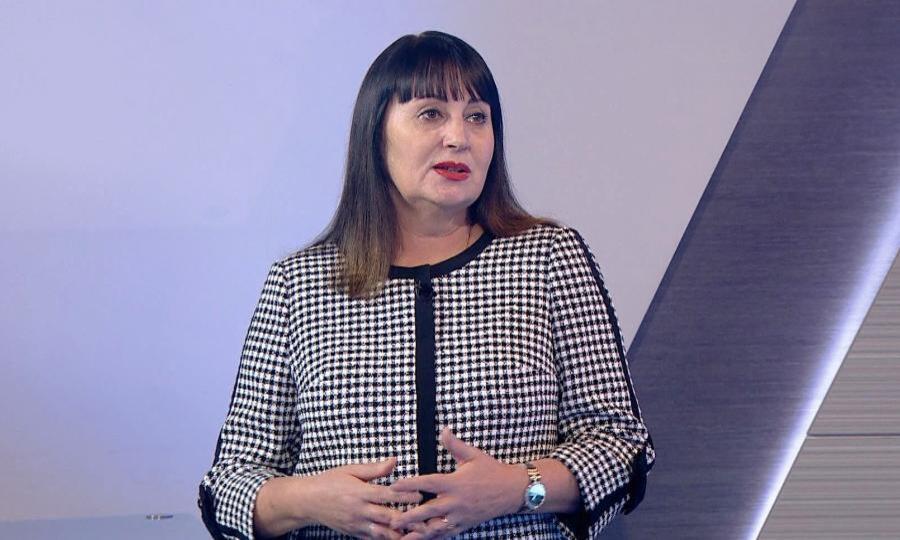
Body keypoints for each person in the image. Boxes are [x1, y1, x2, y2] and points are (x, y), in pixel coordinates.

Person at [198, 30, 655, 540]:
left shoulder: (549, 257)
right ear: (377, 133)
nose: (458, 137)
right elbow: (227, 485)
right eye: (431, 113)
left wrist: (516, 488)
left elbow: (622, 446)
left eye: (477, 116)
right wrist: (311, 500)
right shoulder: (298, 283)